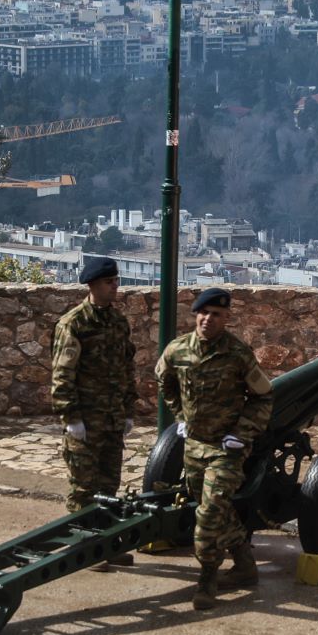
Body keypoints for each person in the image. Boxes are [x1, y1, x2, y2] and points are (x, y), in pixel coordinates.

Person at [155, 287, 274, 611]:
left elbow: (263, 396)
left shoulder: (237, 354)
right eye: (204, 313)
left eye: (217, 315)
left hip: (226, 449)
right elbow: (164, 381)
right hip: (194, 446)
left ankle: (207, 581)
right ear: (196, 314)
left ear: (227, 318)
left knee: (208, 513)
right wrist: (180, 416)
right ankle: (245, 565)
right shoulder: (178, 351)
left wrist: (242, 433)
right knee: (213, 507)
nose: (208, 320)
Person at [51, 256, 138, 570]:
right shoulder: (73, 324)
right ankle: (83, 549)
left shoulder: (118, 322)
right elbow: (62, 376)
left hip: (112, 419)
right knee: (83, 489)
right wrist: (71, 418)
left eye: (116, 281)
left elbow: (127, 368)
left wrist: (128, 410)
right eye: (108, 282)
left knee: (108, 486)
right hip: (86, 421)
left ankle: (105, 545)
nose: (115, 286)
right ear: (92, 285)